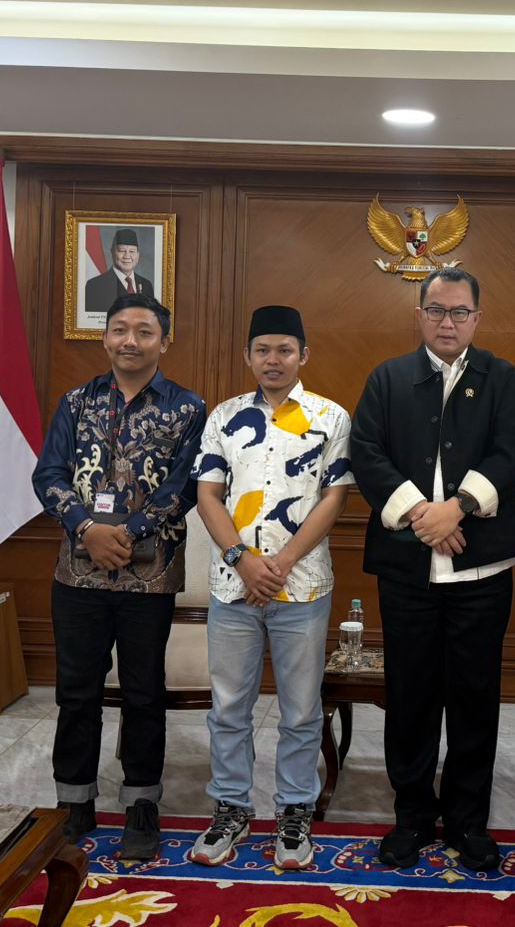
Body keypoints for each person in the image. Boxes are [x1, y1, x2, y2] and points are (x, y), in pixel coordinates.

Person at [350, 268, 515, 872]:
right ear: (419, 315)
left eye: (459, 312)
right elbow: (366, 452)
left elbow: (512, 450)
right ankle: (411, 816)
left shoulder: (502, 378)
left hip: (482, 570)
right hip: (407, 571)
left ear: (477, 318)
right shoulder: (388, 378)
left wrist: (457, 507)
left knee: (475, 697)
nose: (447, 322)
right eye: (436, 310)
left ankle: (468, 820)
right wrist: (420, 514)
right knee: (410, 695)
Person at [32, 292, 205, 859]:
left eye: (144, 331)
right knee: (76, 690)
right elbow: (49, 474)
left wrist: (126, 533)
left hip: (149, 577)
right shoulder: (76, 403)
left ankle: (141, 803)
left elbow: (184, 486)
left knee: (143, 692)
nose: (131, 341)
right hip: (77, 574)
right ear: (105, 337)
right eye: (120, 330)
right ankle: (73, 801)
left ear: (164, 342)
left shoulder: (188, 409)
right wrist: (88, 529)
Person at [188, 306, 353, 870]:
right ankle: (231, 808)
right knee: (228, 708)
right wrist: (243, 560)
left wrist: (278, 563)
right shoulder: (224, 415)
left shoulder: (330, 417)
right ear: (248, 356)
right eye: (263, 350)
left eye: (285, 349)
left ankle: (294, 812)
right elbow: (207, 494)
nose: (273, 359)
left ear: (303, 355)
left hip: (301, 587)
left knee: (301, 711)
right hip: (233, 587)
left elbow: (334, 498)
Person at [85, 228, 155, 313]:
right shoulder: (95, 286)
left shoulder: (146, 285)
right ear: (112, 252)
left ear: (138, 255)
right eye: (122, 251)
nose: (127, 256)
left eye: (132, 251)